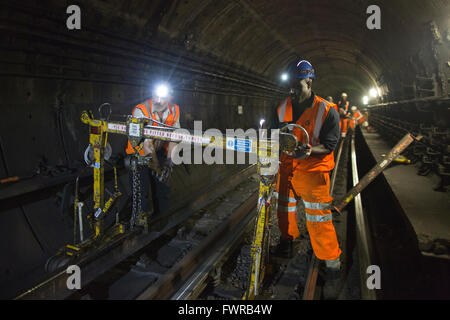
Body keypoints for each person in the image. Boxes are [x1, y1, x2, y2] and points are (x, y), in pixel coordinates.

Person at [271, 60, 342, 273]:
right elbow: (275, 135)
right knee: (284, 208)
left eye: (296, 84)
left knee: (318, 217)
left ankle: (331, 262)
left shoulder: (326, 109)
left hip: (313, 171)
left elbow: (330, 144)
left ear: (309, 82)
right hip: (286, 168)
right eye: (288, 85)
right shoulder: (283, 106)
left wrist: (309, 150)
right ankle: (287, 239)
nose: (291, 89)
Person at [125, 83, 180, 217]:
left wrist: (168, 162)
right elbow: (146, 144)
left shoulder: (175, 110)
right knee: (141, 191)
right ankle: (140, 223)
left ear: (170, 97)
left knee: (163, 188)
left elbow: (175, 137)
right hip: (139, 153)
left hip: (159, 150)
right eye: (156, 96)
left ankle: (162, 219)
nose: (158, 101)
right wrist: (156, 167)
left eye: (163, 98)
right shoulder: (141, 110)